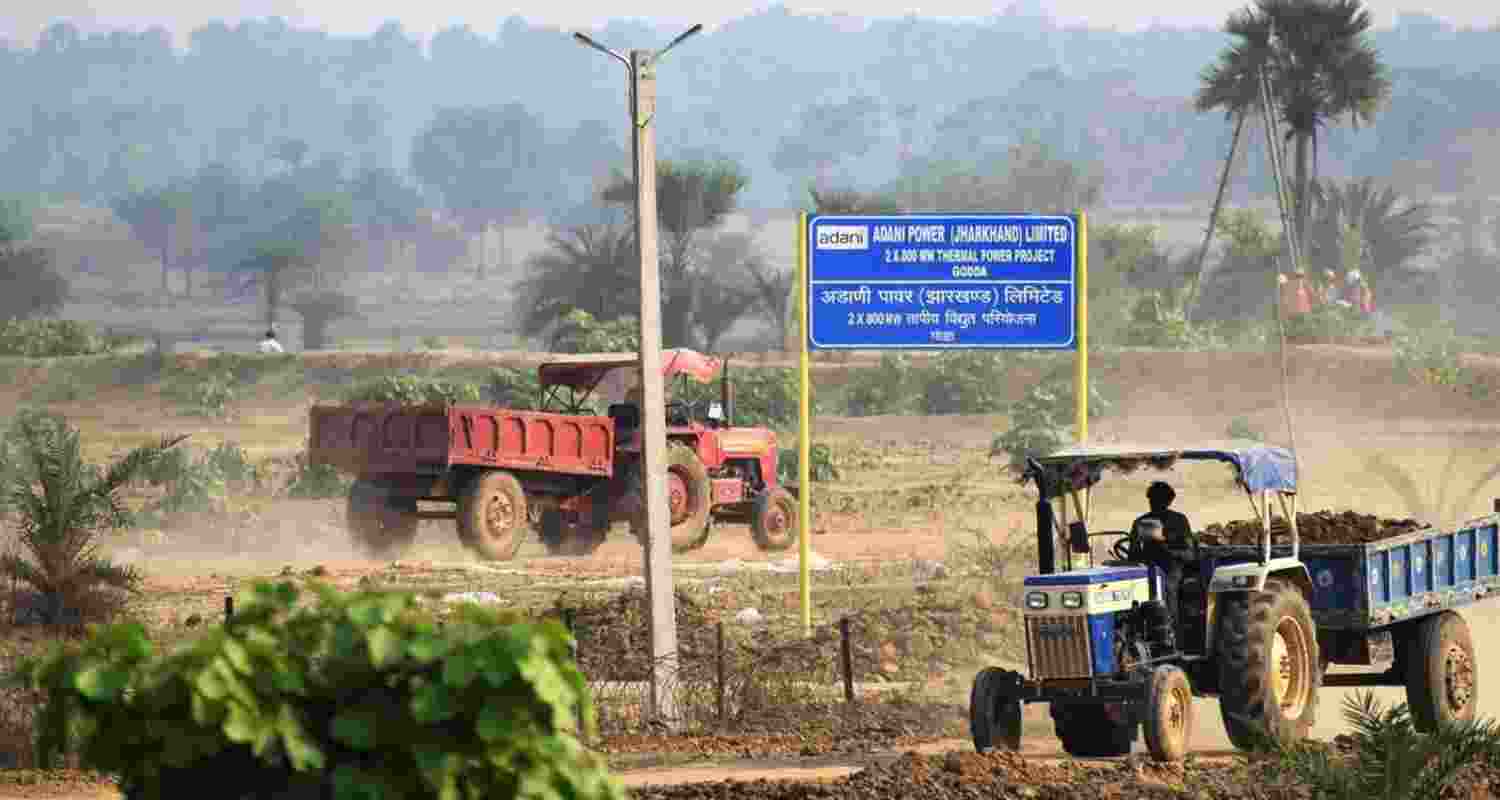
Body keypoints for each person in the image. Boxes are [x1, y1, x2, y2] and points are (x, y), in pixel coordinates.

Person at [1132, 481, 1195, 632]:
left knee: (1165, 588)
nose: (1154, 503)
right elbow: (1132, 552)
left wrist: (1167, 547)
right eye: (1152, 499)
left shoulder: (1179, 521)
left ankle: (1171, 632)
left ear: (1168, 501)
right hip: (1146, 568)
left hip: (1171, 567)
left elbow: (1189, 553)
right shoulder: (1140, 522)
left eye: (1158, 499)